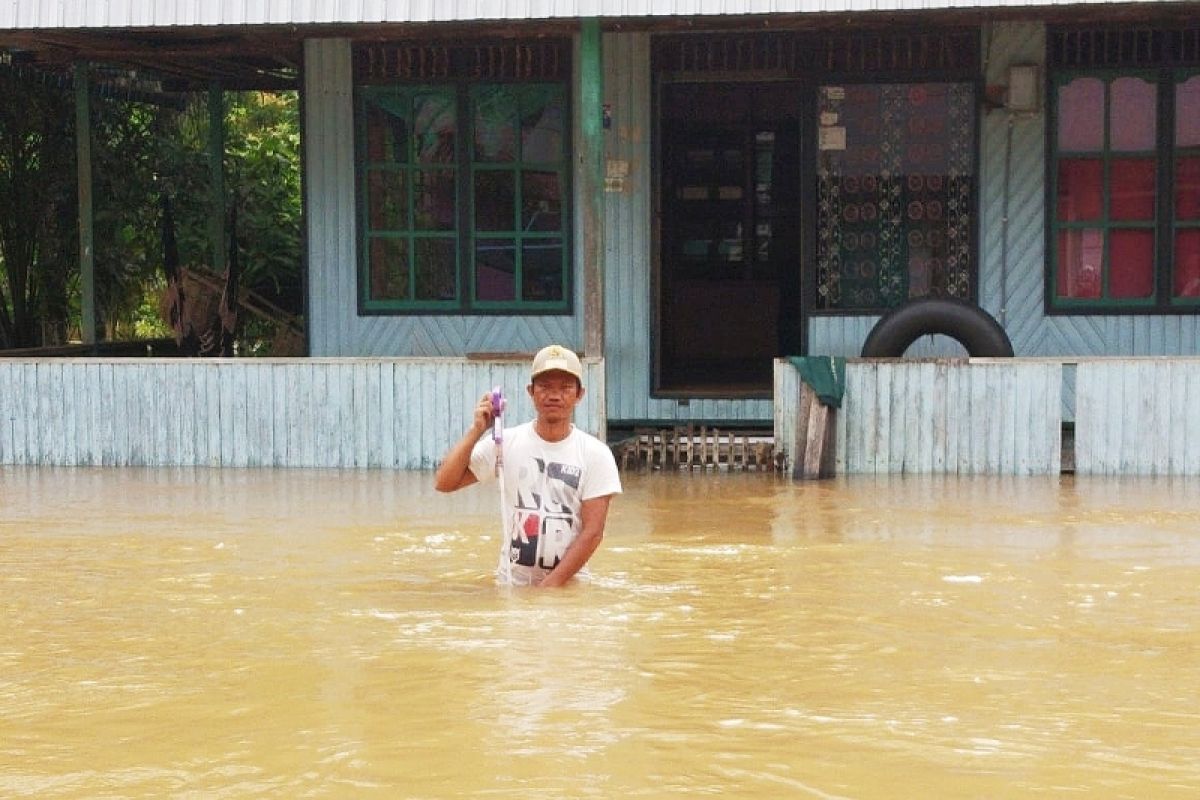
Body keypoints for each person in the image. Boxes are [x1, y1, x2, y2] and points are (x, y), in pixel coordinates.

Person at [434, 345, 622, 587]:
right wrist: (477, 430)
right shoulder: (505, 443)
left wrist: (549, 587)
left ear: (579, 395)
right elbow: (444, 483)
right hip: (512, 584)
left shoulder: (596, 454)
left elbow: (593, 532)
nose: (554, 395)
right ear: (531, 392)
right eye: (544, 387)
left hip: (569, 589)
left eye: (565, 388)